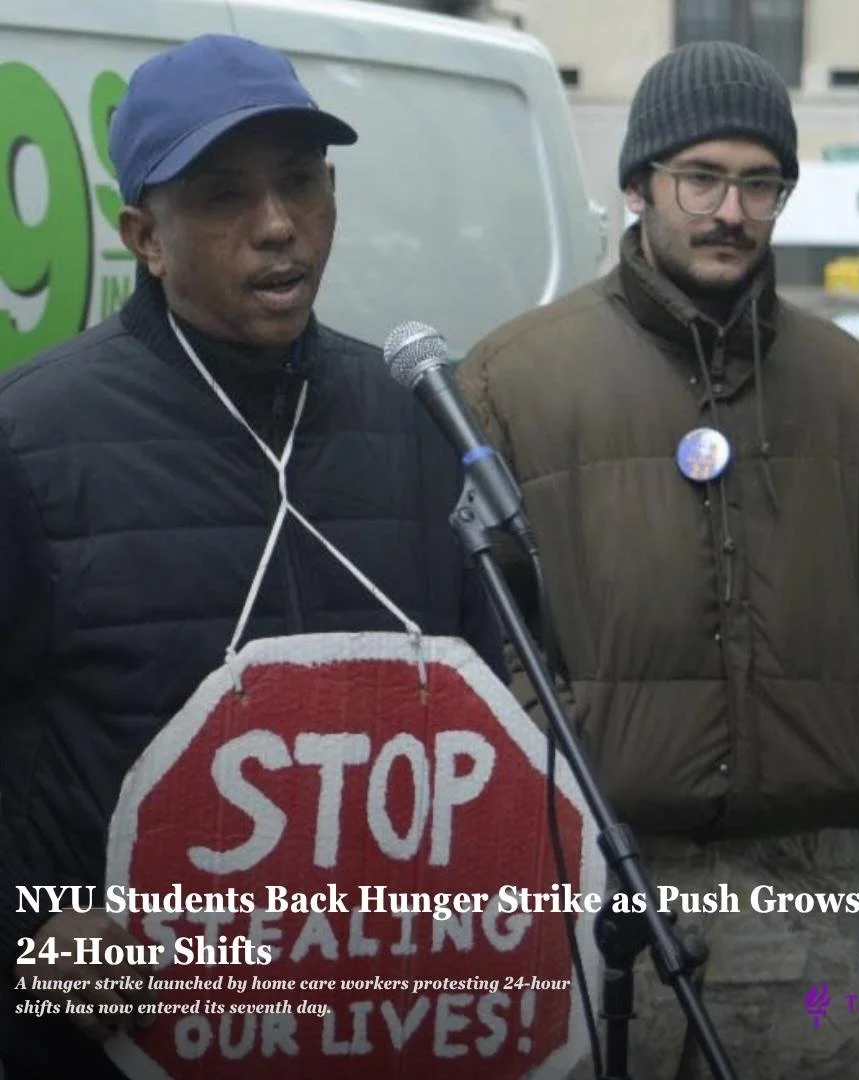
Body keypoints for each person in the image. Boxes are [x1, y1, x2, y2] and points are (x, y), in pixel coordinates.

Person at [458, 40, 859, 1080]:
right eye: (701, 177)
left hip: (803, 886)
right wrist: (541, 743)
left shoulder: (850, 385)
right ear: (640, 184)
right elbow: (469, 598)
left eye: (759, 183)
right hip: (589, 872)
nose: (730, 211)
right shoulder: (515, 379)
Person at [0, 34, 503, 1079]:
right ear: (144, 235)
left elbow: (500, 702)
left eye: (302, 184)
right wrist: (26, 935)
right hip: (119, 1039)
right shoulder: (32, 441)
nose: (279, 227)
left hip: (371, 1030)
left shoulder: (414, 423)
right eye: (226, 195)